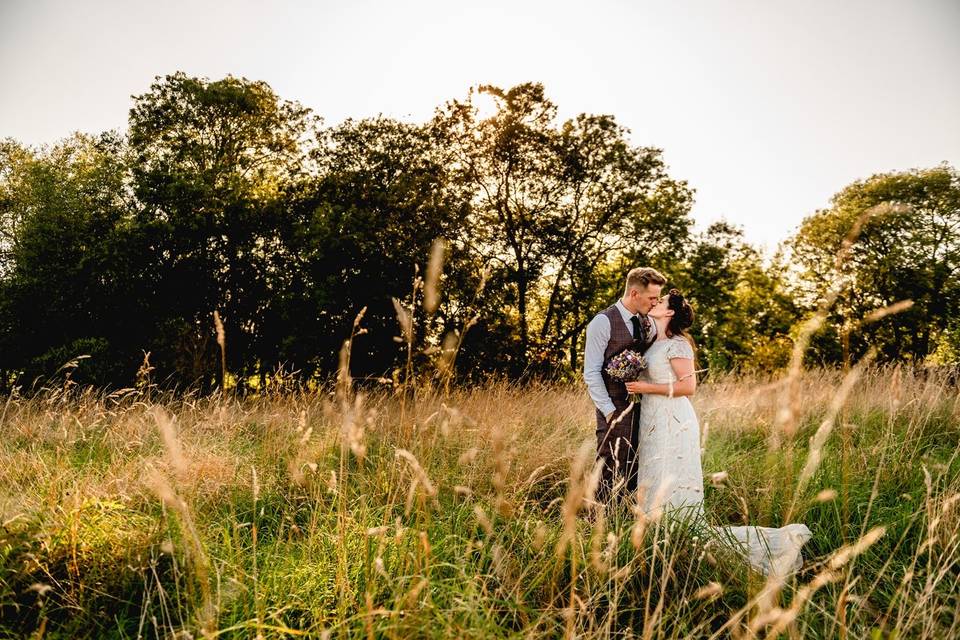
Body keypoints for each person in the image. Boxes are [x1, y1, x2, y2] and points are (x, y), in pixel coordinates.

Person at [626, 289, 812, 577]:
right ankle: (655, 531)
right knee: (654, 473)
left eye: (660, 301)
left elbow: (689, 388)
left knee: (672, 473)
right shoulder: (654, 342)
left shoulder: (678, 344)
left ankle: (679, 533)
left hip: (673, 418)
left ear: (670, 312)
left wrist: (645, 388)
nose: (655, 302)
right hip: (652, 417)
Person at [583, 267, 666, 503]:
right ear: (633, 293)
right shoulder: (603, 322)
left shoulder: (647, 321)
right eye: (652, 298)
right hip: (614, 406)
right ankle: (597, 522)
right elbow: (591, 372)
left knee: (636, 464)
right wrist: (609, 411)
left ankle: (626, 519)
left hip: (644, 405)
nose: (655, 303)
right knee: (609, 463)